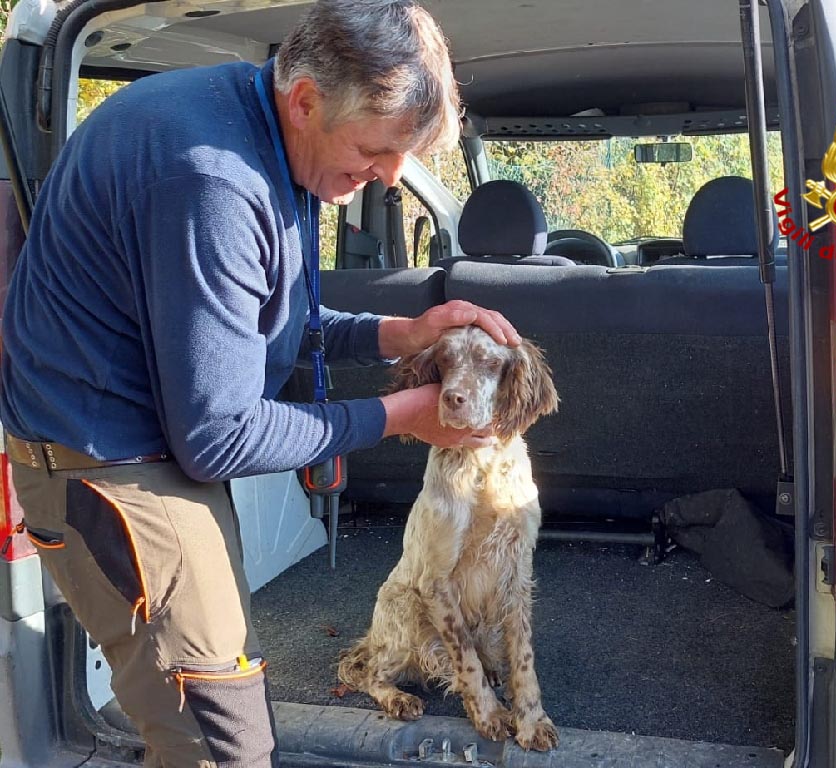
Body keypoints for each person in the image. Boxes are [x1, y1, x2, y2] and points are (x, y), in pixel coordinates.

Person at [0, 1, 519, 765]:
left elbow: (267, 318)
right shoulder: (211, 177)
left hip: (152, 450)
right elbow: (220, 434)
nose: (388, 176)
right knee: (220, 743)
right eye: (374, 150)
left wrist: (397, 334)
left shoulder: (260, 130)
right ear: (305, 99)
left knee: (213, 712)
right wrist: (405, 414)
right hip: (112, 474)